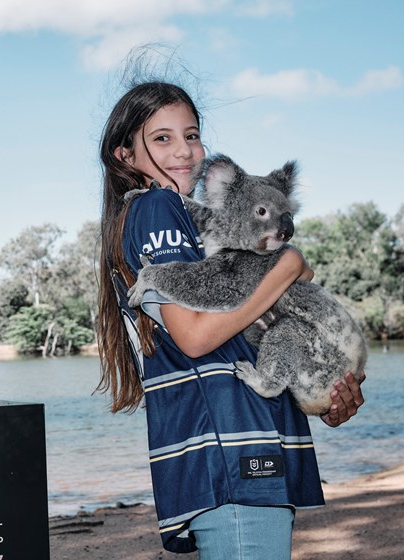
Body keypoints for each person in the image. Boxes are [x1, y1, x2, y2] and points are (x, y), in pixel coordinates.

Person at [96, 81, 365, 558]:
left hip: (243, 446)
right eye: (162, 139)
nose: (184, 151)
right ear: (125, 155)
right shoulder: (156, 206)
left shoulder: (191, 220)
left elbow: (245, 334)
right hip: (232, 453)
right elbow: (197, 337)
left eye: (192, 135)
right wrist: (285, 268)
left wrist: (321, 393)